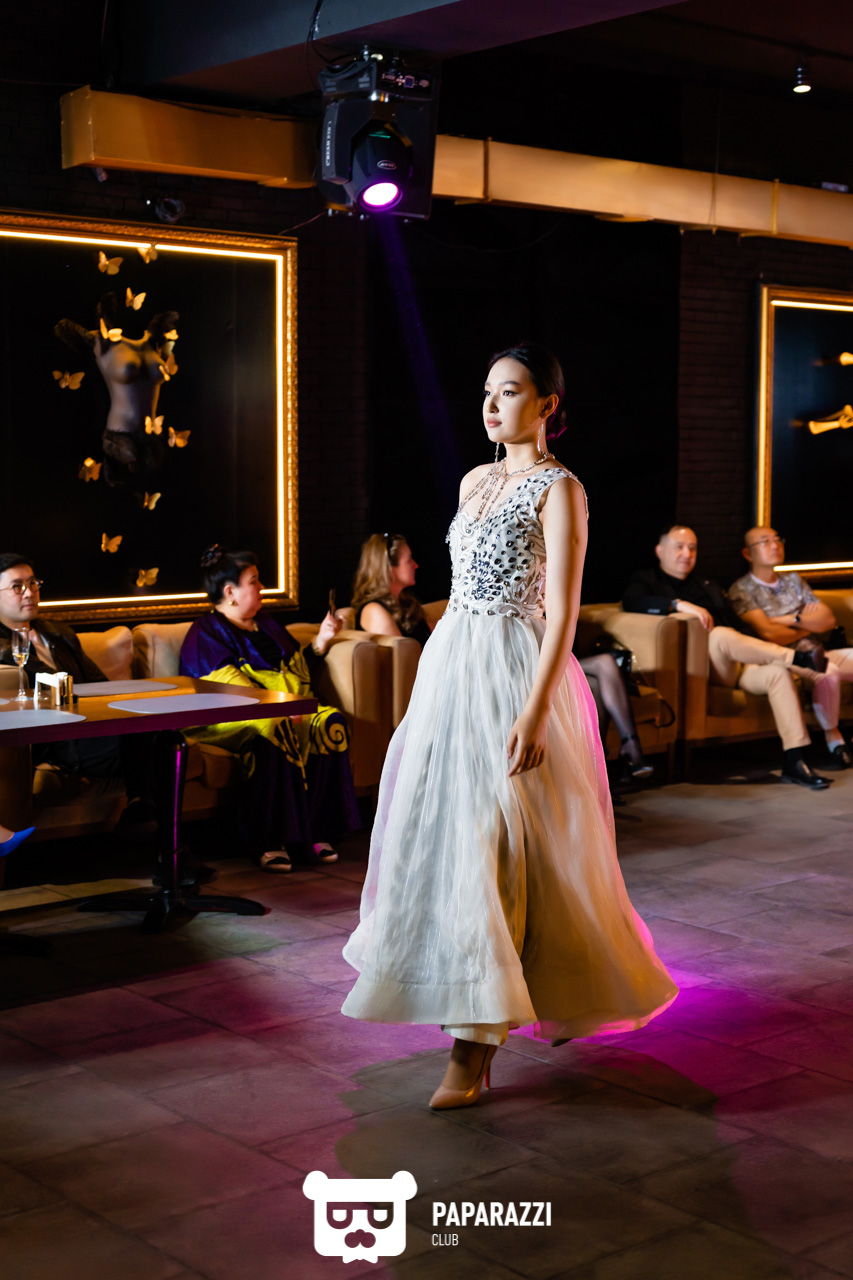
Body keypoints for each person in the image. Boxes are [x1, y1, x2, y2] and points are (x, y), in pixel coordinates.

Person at [342, 342, 677, 1110]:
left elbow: (562, 611)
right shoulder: (474, 480)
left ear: (547, 405)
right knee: (447, 844)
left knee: (501, 843)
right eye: (487, 391)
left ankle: (474, 1042)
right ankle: (476, 1014)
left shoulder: (560, 489)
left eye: (511, 391)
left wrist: (532, 709)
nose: (492, 405)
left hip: (517, 670)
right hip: (453, 668)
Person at [179, 546, 360, 872]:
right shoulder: (204, 633)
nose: (261, 587)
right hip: (230, 717)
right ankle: (270, 839)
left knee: (329, 721)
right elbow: (227, 689)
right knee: (274, 727)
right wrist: (277, 707)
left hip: (286, 708)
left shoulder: (266, 623)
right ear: (230, 592)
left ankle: (316, 831)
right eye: (254, 581)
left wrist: (321, 640)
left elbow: (296, 671)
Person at [623, 525, 832, 789]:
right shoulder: (647, 580)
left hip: (739, 664)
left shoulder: (706, 585)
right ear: (659, 550)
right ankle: (798, 658)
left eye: (692, 548)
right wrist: (677, 604)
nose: (687, 554)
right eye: (679, 547)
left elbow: (739, 626)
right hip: (708, 669)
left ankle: (795, 760)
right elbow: (631, 602)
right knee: (719, 635)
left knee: (777, 674)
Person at [0, 551, 154, 821]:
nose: (29, 593)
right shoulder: (3, 647)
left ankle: (142, 813)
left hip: (89, 726)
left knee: (159, 735)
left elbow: (98, 684)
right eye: (17, 586)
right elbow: (47, 688)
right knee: (151, 743)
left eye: (33, 583)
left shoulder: (59, 632)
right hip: (53, 740)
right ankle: (144, 816)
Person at [729, 527, 853, 768]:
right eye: (765, 542)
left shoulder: (793, 580)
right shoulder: (742, 589)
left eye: (777, 540)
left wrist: (790, 620)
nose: (774, 545)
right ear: (748, 553)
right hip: (784, 657)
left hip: (817, 648)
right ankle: (834, 740)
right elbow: (769, 634)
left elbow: (828, 620)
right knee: (827, 671)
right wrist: (807, 622)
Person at [351, 533, 433, 646]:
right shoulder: (373, 610)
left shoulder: (407, 604)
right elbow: (404, 653)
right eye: (409, 560)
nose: (415, 565)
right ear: (389, 569)